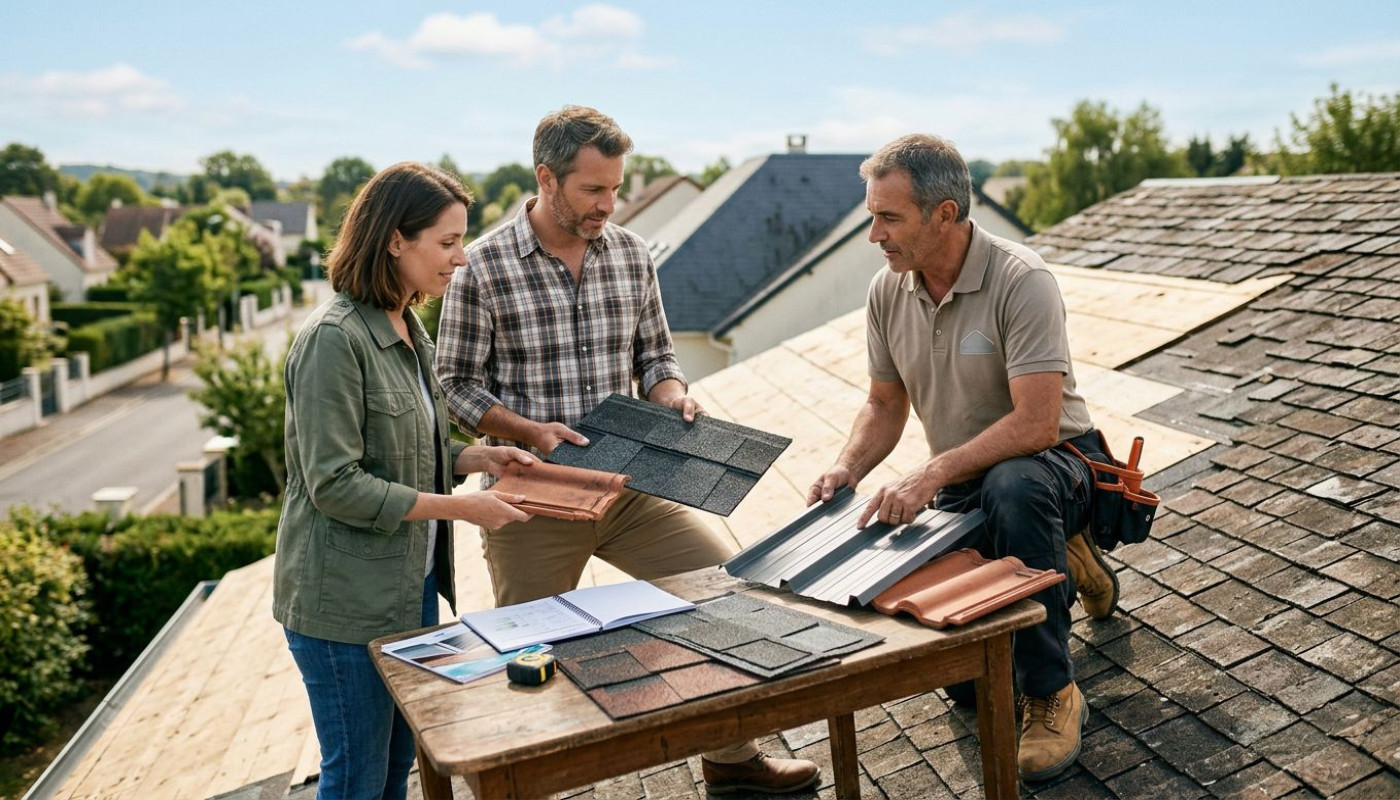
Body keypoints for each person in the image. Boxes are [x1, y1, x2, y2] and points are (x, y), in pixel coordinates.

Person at [436, 105, 820, 795]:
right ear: (546, 179)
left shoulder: (633, 253)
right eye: (592, 190)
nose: (608, 204)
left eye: (615, 188)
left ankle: (733, 764)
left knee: (724, 594)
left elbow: (657, 358)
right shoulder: (481, 268)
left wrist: (673, 397)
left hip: (628, 487)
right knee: (527, 660)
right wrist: (526, 432)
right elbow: (453, 386)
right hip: (532, 500)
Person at [806, 134, 1119, 783]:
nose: (875, 235)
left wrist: (933, 471)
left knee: (1014, 490)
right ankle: (1064, 553)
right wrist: (848, 468)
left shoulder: (1019, 279)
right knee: (971, 685)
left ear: (944, 214)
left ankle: (1054, 693)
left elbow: (1035, 422)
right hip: (966, 477)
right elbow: (884, 405)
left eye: (888, 218)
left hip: (1058, 460)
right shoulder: (887, 292)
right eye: (873, 215)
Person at [273, 161, 537, 800]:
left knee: (396, 770)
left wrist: (478, 460)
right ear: (395, 239)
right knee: (356, 780)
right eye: (447, 243)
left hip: (408, 592)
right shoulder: (333, 340)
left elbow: (403, 451)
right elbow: (335, 483)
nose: (462, 258)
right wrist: (463, 508)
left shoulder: (406, 324)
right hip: (342, 606)